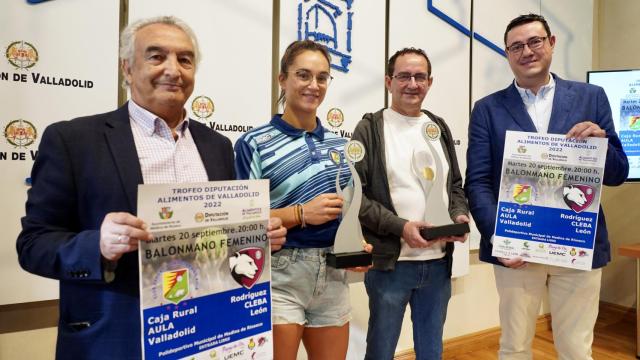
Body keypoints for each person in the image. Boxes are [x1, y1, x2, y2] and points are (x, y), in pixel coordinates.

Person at [16, 16, 286, 360]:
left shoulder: (217, 145)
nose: (173, 70)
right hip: (115, 339)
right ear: (126, 68)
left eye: (185, 59)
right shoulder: (73, 140)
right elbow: (33, 243)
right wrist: (97, 244)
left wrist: (254, 236)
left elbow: (219, 243)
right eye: (156, 57)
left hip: (207, 333)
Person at [465, 13, 628, 360]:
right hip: (516, 250)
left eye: (535, 41)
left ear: (551, 43)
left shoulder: (591, 98)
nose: (527, 51)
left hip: (576, 245)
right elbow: (477, 182)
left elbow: (618, 171)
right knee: (514, 347)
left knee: (576, 349)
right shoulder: (487, 110)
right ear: (508, 54)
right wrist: (498, 237)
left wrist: (601, 146)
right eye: (516, 46)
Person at [235, 40, 368, 360]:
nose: (314, 85)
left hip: (334, 275)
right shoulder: (254, 143)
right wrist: (300, 214)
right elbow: (243, 220)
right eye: (303, 75)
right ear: (282, 79)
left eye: (322, 77)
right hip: (279, 274)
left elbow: (348, 213)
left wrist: (357, 246)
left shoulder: (341, 144)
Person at [351, 48, 470, 360]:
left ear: (430, 82)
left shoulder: (439, 127)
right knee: (380, 351)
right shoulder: (370, 129)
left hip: (438, 265)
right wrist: (401, 227)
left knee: (431, 351)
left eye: (420, 77)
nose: (412, 83)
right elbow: (355, 197)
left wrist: (458, 214)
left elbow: (454, 185)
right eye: (404, 76)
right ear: (389, 81)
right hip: (391, 266)